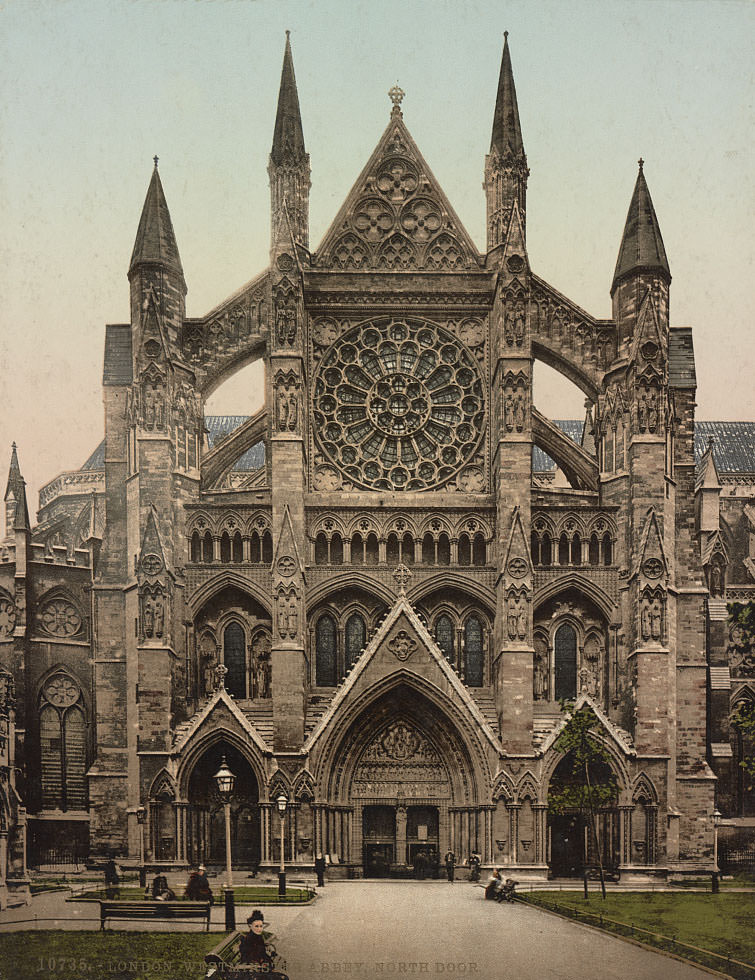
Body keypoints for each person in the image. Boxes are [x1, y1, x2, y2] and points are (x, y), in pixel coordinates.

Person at [238, 910, 290, 979]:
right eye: (256, 926)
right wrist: (266, 966)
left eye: (261, 926)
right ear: (250, 926)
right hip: (254, 971)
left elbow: (262, 953)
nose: (259, 929)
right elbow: (248, 959)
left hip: (261, 968)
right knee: (283, 978)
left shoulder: (258, 937)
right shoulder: (248, 940)